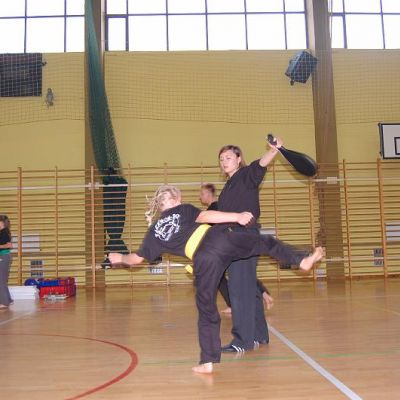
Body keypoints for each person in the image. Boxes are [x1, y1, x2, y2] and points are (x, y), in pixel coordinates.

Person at [109, 185, 323, 374]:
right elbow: (206, 217)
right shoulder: (184, 209)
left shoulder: (154, 232)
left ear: (159, 205)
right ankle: (301, 259)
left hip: (204, 259)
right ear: (177, 199)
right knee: (265, 242)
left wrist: (119, 258)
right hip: (220, 238)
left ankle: (208, 361)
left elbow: (136, 259)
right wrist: (236, 217)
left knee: (207, 309)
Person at [217, 139, 282, 353]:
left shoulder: (246, 175)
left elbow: (260, 164)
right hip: (237, 239)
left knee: (239, 290)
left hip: (243, 237)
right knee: (250, 289)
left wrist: (273, 150)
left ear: (239, 159)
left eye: (228, 157)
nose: (224, 161)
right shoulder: (229, 186)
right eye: (221, 159)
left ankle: (242, 341)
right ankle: (260, 335)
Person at [199, 183, 274, 314]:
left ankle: (259, 295)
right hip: (228, 246)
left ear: (209, 193)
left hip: (226, 248)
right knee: (238, 273)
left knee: (231, 276)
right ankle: (262, 294)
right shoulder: (217, 207)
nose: (200, 197)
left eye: (202, 193)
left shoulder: (214, 209)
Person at [0, 215, 13, 309]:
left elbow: (9, 245)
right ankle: (8, 299)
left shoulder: (4, 232)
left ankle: (4, 302)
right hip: (3, 256)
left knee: (1, 280)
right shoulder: (2, 232)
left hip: (3, 256)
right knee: (2, 280)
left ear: (2, 222)